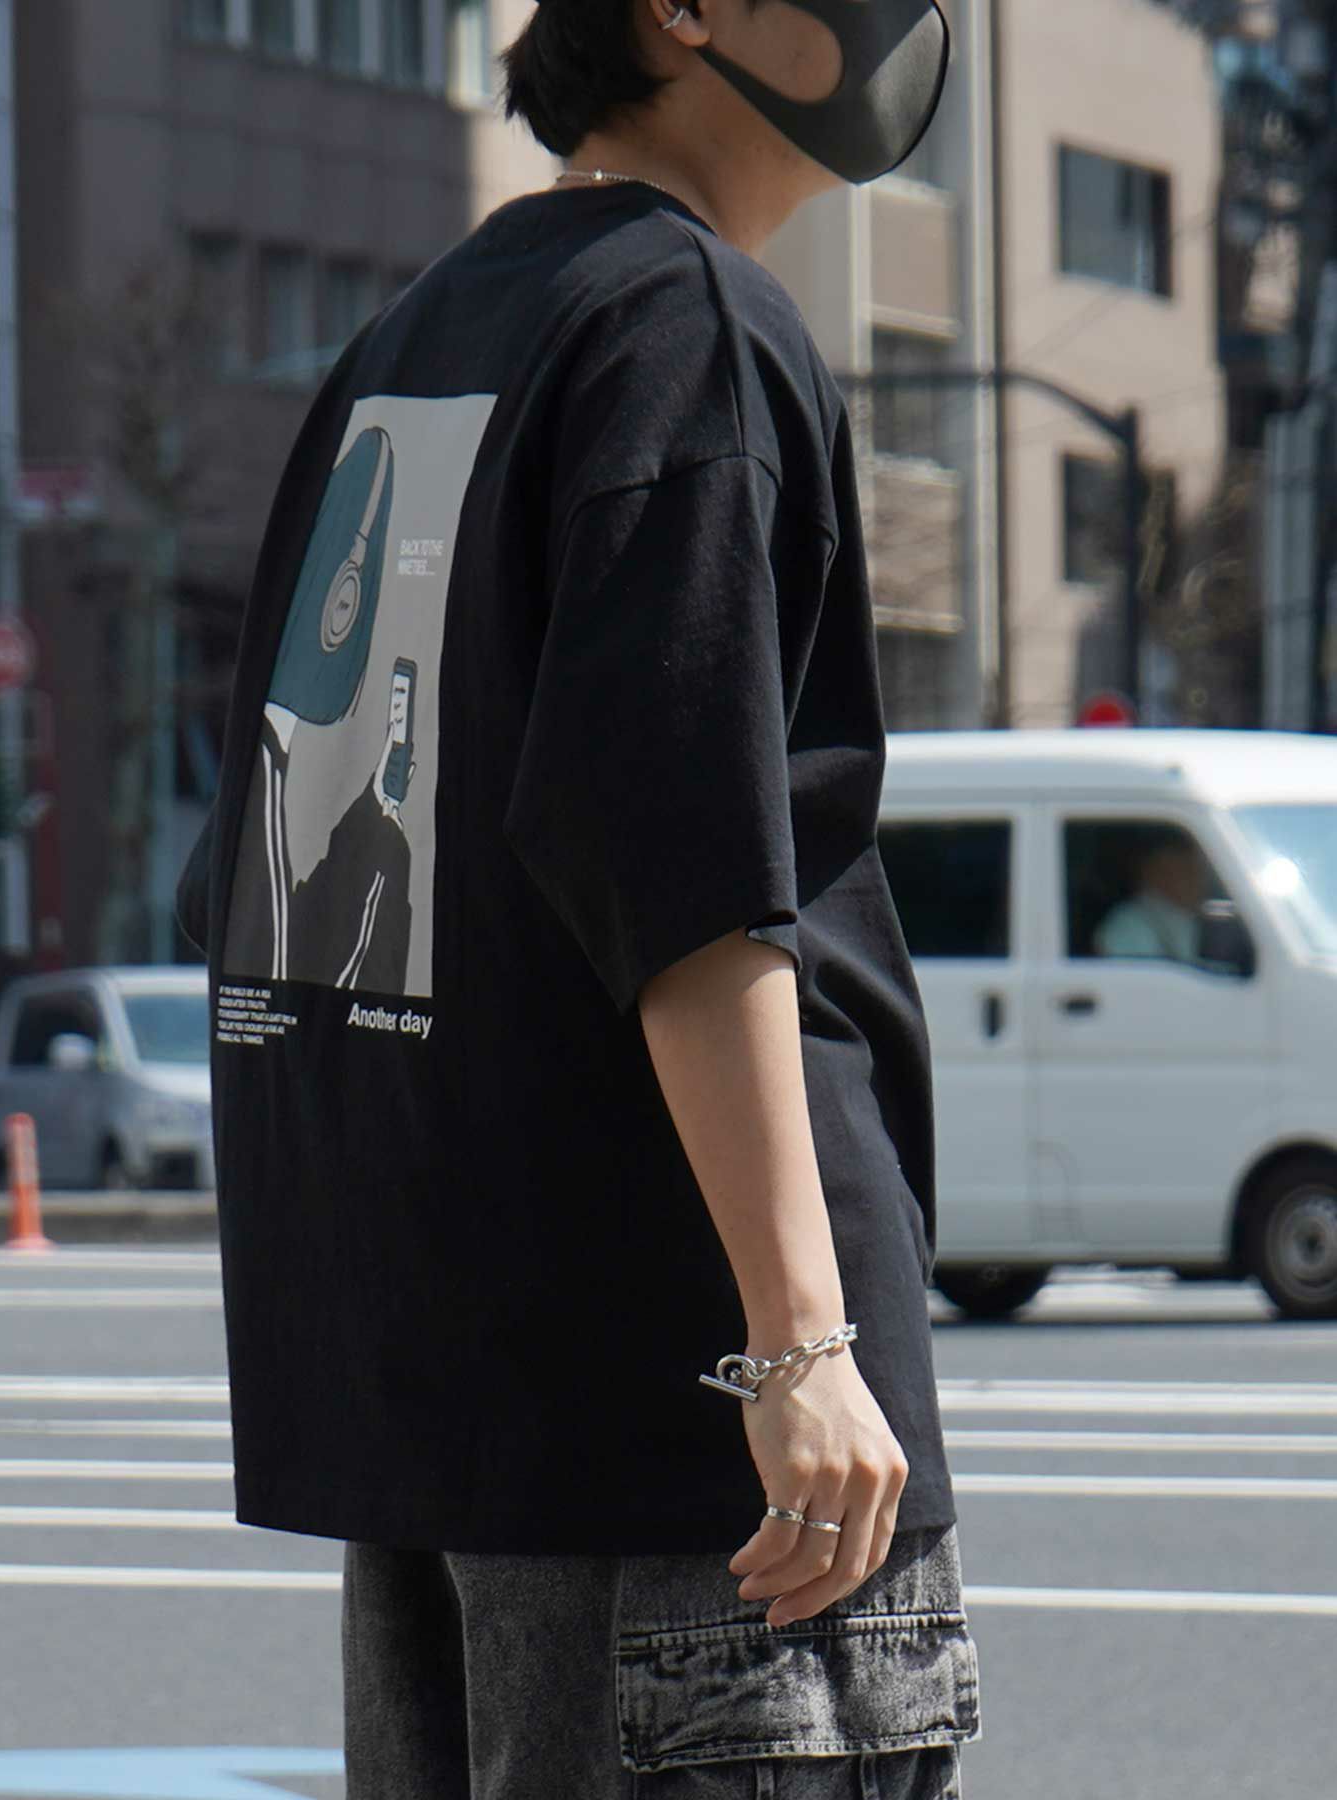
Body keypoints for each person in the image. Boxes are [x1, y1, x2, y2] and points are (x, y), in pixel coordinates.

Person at [176, 2, 981, 1794]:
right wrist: (800, 1341)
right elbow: (685, 874)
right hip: (694, 1448)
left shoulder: (419, 338)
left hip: (451, 1423)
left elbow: (257, 878)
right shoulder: (685, 324)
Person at [1094, 829, 1207, 964]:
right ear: (1155, 875)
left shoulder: (1195, 918)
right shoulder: (1128, 925)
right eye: (1186, 871)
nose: (1198, 881)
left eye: (1197, 871)